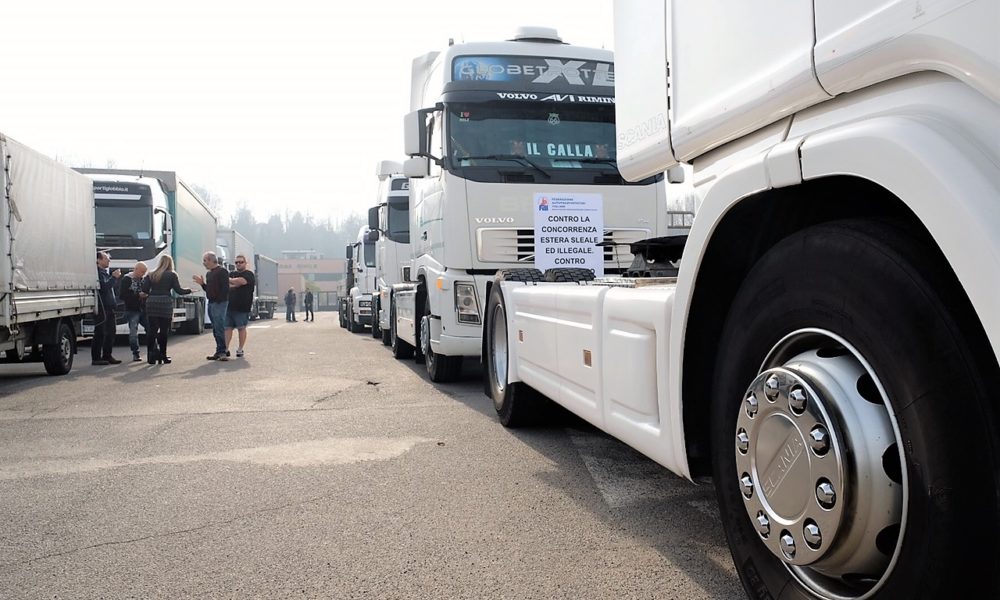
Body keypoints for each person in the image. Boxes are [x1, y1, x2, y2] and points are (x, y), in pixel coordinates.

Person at [142, 255, 193, 365]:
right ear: (170, 263)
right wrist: (189, 290)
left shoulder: (151, 274)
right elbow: (179, 291)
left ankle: (150, 356)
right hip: (165, 302)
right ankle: (163, 355)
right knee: (164, 330)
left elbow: (145, 289)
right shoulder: (172, 275)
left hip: (152, 302)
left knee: (152, 329)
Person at [193, 251, 230, 361]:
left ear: (211, 260)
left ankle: (223, 351)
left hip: (220, 303)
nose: (204, 263)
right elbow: (208, 289)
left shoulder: (222, 271)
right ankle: (219, 351)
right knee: (215, 328)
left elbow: (225, 288)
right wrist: (202, 284)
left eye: (205, 260)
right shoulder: (209, 274)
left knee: (219, 327)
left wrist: (219, 300)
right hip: (212, 302)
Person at [92, 251, 123, 366]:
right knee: (100, 332)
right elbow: (104, 287)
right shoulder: (98, 274)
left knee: (111, 332)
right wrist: (114, 278)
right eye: (106, 258)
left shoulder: (105, 273)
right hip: (102, 307)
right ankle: (96, 357)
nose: (109, 260)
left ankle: (107, 355)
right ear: (98, 260)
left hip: (109, 307)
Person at [225, 254, 256, 358]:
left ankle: (240, 349)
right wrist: (234, 283)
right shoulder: (232, 273)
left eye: (241, 262)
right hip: (229, 306)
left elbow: (241, 281)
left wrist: (231, 281)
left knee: (241, 328)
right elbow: (228, 285)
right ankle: (225, 349)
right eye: (236, 262)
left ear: (245, 263)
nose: (238, 264)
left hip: (242, 307)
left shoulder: (249, 274)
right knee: (227, 328)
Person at [119, 261, 149, 362]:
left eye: (144, 272)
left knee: (151, 329)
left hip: (143, 309)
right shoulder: (126, 279)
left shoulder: (144, 279)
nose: (143, 274)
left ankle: (153, 350)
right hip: (132, 310)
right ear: (136, 269)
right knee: (133, 332)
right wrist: (137, 296)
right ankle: (135, 353)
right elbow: (122, 295)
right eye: (142, 272)